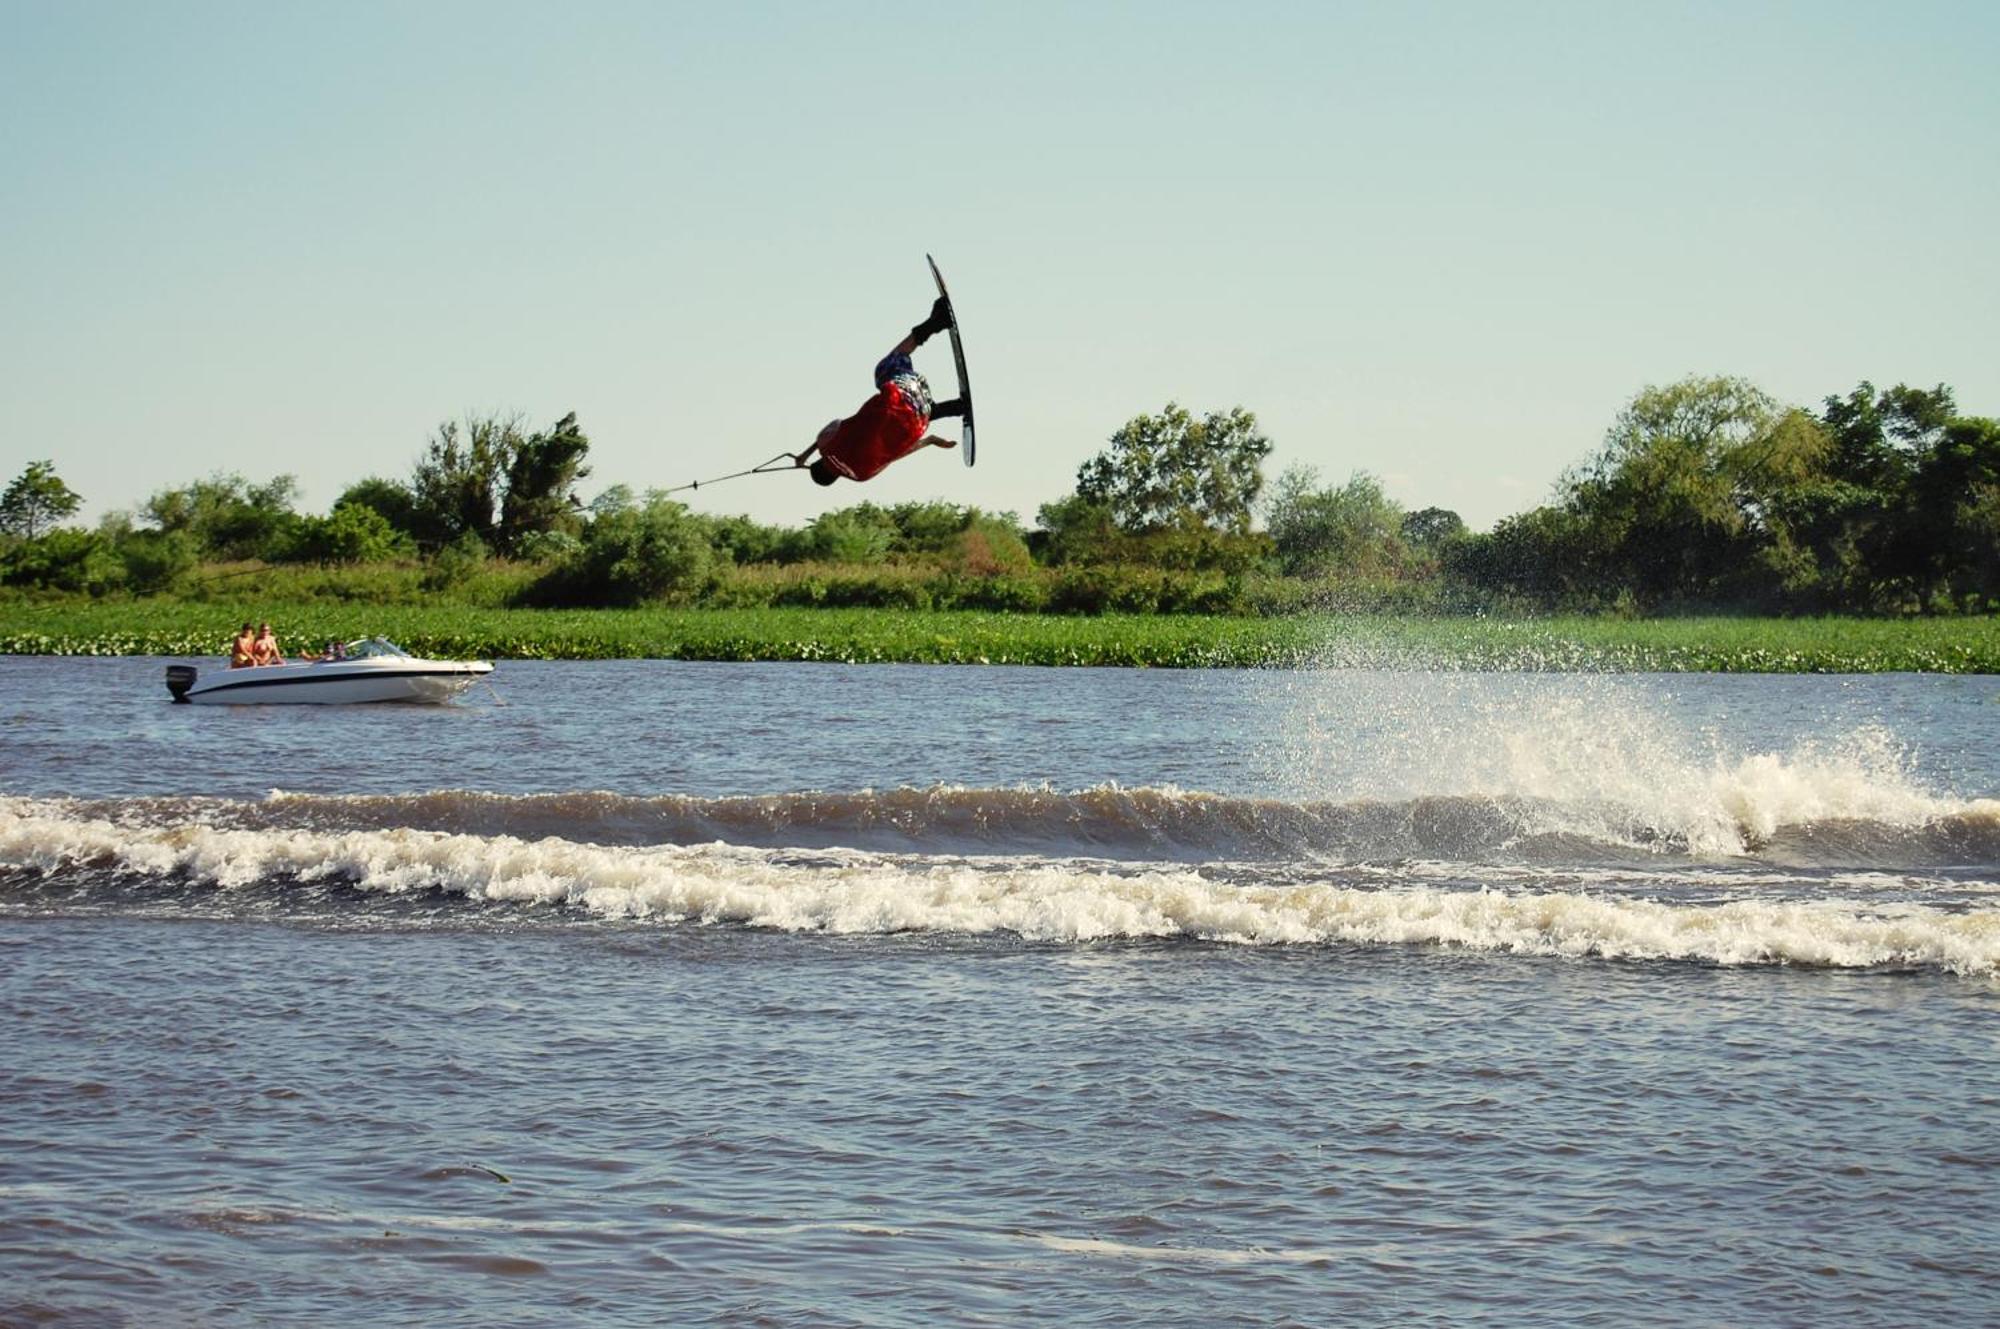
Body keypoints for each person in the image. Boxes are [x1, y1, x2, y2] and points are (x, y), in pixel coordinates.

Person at [793, 297, 967, 485]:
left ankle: (957, 407)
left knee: (905, 424)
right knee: (884, 370)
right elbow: (834, 424)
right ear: (819, 460)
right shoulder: (826, 444)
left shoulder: (862, 476)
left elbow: (896, 455)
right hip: (905, 389)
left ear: (835, 478)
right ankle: (936, 323)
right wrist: (806, 453)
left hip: (921, 417)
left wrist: (930, 441)